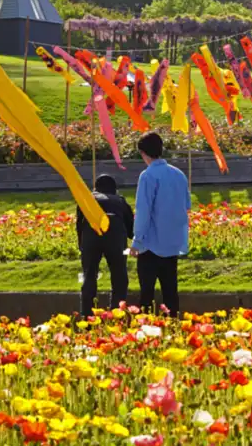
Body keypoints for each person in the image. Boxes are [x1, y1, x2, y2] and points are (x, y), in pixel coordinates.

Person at [130, 132, 191, 316]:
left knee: (146, 294)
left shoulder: (148, 176)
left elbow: (143, 211)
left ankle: (146, 332)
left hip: (151, 244)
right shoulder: (178, 174)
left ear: (143, 153)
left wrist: (137, 241)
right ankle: (174, 328)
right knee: (171, 292)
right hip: (173, 242)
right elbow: (186, 205)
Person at [77, 174, 134, 315]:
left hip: (91, 236)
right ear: (115, 189)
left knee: (89, 276)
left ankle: (87, 316)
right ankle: (116, 314)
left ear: (95, 188)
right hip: (115, 236)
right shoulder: (120, 201)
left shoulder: (87, 200)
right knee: (119, 277)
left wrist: (82, 245)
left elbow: (79, 224)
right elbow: (131, 229)